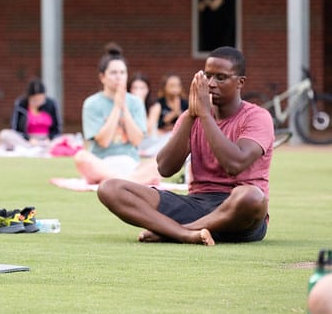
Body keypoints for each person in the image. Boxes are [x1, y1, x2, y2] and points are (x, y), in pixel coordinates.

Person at [96, 46, 274, 245]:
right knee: (109, 188)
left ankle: (175, 232)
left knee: (252, 196)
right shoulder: (191, 116)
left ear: (240, 82)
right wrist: (191, 114)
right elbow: (165, 168)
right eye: (208, 76)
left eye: (221, 78)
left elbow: (234, 163)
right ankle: (186, 235)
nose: (211, 84)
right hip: (197, 203)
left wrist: (205, 115)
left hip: (239, 215)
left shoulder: (257, 117)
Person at [74, 44, 160, 185]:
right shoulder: (91, 103)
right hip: (101, 163)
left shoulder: (135, 102)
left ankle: (121, 181)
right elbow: (104, 141)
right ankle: (129, 182)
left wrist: (124, 107)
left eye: (122, 72)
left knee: (161, 162)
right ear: (102, 77)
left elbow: (137, 140)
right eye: (114, 73)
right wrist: (116, 107)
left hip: (131, 163)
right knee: (81, 157)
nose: (119, 77)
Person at [0, 78, 62, 154]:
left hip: (46, 139)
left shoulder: (51, 104)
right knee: (4, 134)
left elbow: (57, 129)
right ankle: (34, 149)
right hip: (27, 140)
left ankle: (35, 149)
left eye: (40, 98)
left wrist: (49, 138)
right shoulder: (21, 104)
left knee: (66, 139)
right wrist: (28, 139)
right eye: (35, 99)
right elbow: (15, 128)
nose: (38, 101)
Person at [128, 72, 158, 137]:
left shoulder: (155, 106)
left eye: (142, 88)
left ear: (148, 89)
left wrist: (140, 103)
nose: (138, 91)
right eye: (135, 88)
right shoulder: (126, 105)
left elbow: (147, 129)